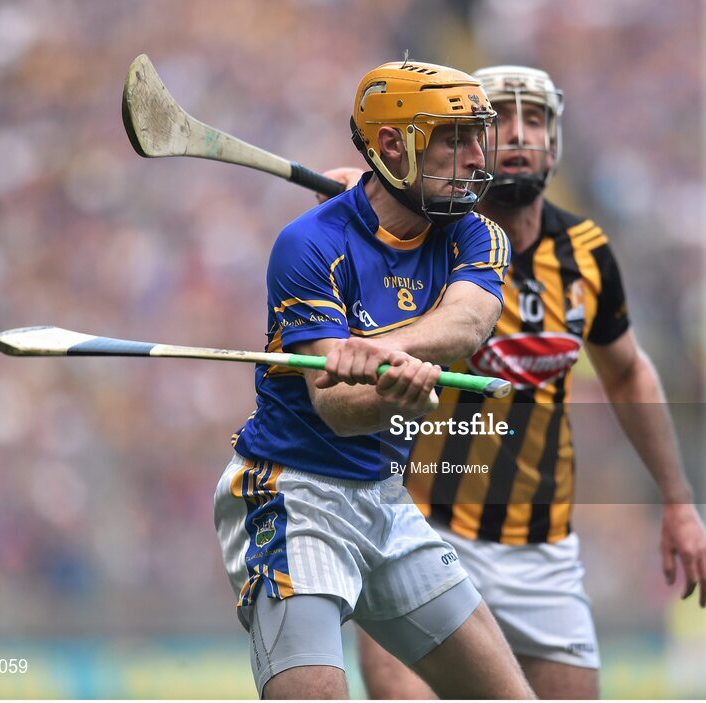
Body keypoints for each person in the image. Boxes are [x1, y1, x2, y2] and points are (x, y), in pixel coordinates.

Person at [324, 65, 706, 699]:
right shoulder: (424, 233)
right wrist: (364, 205)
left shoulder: (586, 253)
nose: (516, 134)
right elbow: (361, 225)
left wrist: (678, 501)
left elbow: (627, 372)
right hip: (419, 527)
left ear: (554, 141)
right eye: (498, 120)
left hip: (542, 548)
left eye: (533, 119)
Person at [213, 60, 535, 700]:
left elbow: (468, 322)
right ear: (394, 146)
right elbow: (339, 408)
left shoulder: (478, 235)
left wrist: (378, 350)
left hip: (385, 499)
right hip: (293, 495)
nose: (478, 159)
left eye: (479, 137)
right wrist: (390, 385)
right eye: (455, 139)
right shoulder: (307, 244)